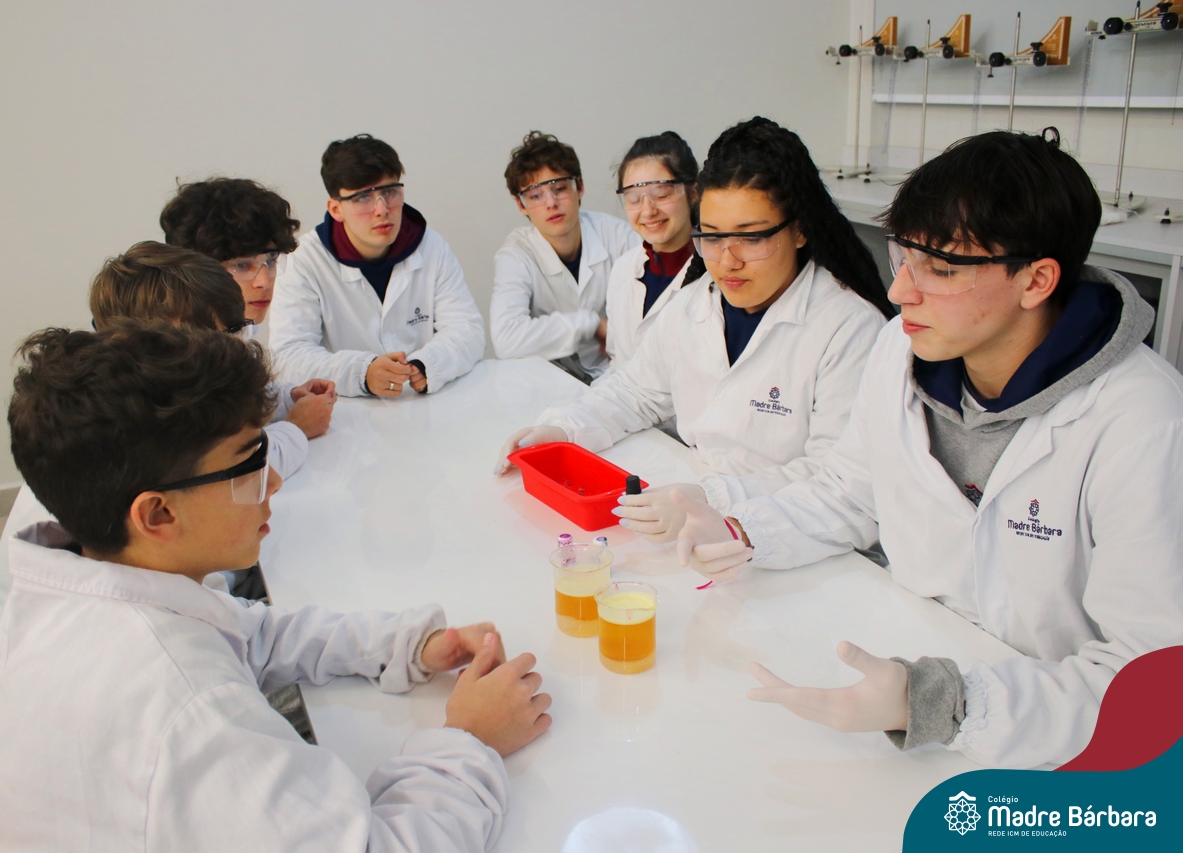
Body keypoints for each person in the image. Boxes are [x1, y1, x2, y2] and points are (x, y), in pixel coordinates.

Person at [673, 129, 1183, 768]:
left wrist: (939, 702)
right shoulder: (902, 349)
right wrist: (743, 529)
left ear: (1036, 280)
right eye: (902, 258)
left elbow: (1151, 677)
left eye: (940, 269)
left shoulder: (1143, 421)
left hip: (1053, 746)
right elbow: (850, 493)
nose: (900, 292)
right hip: (903, 667)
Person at [0, 321, 552, 849]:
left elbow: (251, 631)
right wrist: (471, 740)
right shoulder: (191, 709)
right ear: (157, 514)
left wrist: (409, 646)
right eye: (249, 463)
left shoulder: (87, 579)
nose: (272, 481)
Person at [496, 117, 894, 541]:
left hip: (791, 533)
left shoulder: (849, 327)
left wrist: (714, 498)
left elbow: (836, 481)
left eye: (751, 237)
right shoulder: (694, 303)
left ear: (799, 230)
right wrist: (564, 429)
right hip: (695, 507)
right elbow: (635, 391)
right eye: (713, 237)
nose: (727, 260)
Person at [0, 243, 336, 648]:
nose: (233, 351)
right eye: (219, 340)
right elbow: (219, 626)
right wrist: (295, 430)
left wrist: (285, 402)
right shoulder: (118, 449)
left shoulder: (122, 408)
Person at [268, 134, 485, 397]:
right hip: (343, 408)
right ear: (336, 209)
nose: (381, 209)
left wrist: (426, 364)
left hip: (421, 400)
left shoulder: (430, 245)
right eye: (362, 197)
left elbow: (468, 330)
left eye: (389, 192)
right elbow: (288, 355)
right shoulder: (304, 259)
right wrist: (362, 372)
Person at [490, 131, 639, 382]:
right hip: (551, 381)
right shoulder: (516, 254)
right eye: (535, 195)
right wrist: (590, 323)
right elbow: (506, 339)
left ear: (579, 187)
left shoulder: (618, 236)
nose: (551, 203)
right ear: (521, 205)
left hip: (620, 373)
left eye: (559, 188)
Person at [603, 131, 699, 372]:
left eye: (661, 194)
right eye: (634, 199)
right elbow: (616, 361)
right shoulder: (623, 269)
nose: (648, 211)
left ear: (693, 192)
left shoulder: (716, 274)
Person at [160, 176, 300, 328]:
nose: (265, 282)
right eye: (241, 265)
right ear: (196, 271)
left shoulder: (238, 330)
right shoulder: (166, 339)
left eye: (271, 260)